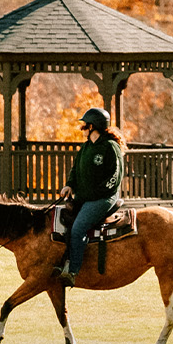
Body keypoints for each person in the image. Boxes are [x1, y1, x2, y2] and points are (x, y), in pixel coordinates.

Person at [55, 107, 125, 284]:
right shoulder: (86, 147)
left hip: (103, 199)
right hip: (84, 198)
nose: (82, 128)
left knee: (78, 228)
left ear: (92, 126)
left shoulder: (111, 147)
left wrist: (93, 196)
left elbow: (115, 178)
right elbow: (75, 169)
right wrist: (70, 185)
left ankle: (72, 271)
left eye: (84, 125)